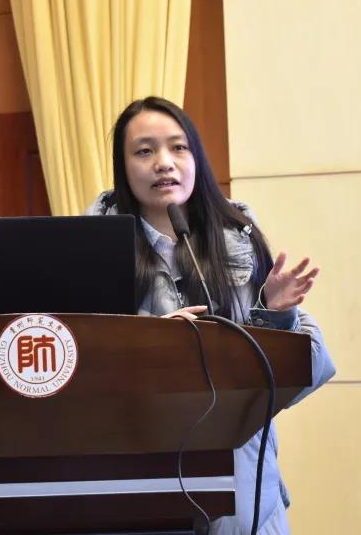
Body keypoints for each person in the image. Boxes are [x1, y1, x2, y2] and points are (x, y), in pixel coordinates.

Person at [85, 96, 336, 535]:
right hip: (141, 493)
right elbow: (76, 383)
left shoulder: (239, 241)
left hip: (245, 501)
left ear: (196, 158)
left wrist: (274, 316)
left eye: (178, 147)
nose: (164, 162)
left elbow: (310, 369)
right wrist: (145, 348)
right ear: (122, 167)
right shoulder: (90, 255)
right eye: (144, 151)